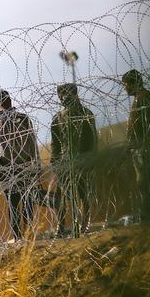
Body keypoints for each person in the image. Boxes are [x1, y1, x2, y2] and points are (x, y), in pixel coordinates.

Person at [0, 89, 41, 241]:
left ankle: (18, 235)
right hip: (24, 164)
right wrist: (36, 165)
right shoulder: (21, 118)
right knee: (25, 200)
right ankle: (27, 233)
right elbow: (32, 143)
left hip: (6, 167)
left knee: (14, 201)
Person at [50, 83, 98, 236]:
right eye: (60, 96)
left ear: (75, 94)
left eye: (65, 94)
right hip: (64, 162)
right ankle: (61, 227)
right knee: (61, 196)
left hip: (82, 159)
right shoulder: (57, 118)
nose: (62, 98)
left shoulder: (86, 114)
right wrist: (54, 161)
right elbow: (55, 143)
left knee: (83, 193)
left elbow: (92, 139)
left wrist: (91, 159)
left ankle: (84, 225)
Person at [122, 69, 150, 222]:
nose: (125, 88)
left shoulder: (144, 98)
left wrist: (144, 145)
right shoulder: (141, 98)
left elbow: (149, 124)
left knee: (147, 183)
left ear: (134, 83)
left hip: (144, 149)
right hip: (141, 148)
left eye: (125, 84)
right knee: (145, 183)